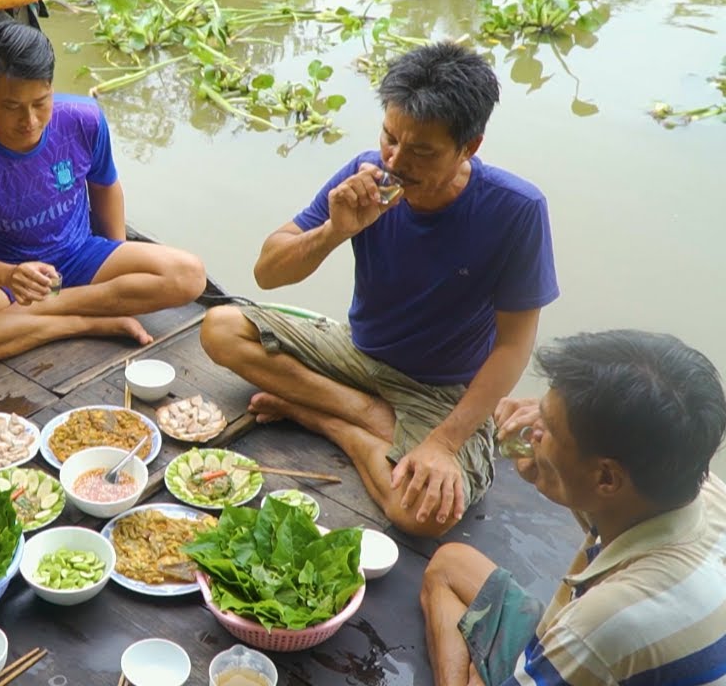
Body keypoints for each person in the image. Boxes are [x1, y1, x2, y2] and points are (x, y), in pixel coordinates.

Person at [199, 42, 559, 537]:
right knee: (220, 327)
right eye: (390, 137)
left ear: (469, 148)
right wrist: (335, 230)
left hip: (441, 389)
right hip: (357, 352)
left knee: (424, 515)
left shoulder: (515, 210)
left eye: (422, 151)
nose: (396, 159)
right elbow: (268, 272)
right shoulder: (367, 176)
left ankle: (322, 416)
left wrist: (444, 442)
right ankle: (365, 415)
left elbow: (515, 346)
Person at [420, 330, 726, 686]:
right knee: (449, 564)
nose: (533, 432)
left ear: (606, 477)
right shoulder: (688, 486)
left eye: (547, 428)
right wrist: (551, 459)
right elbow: (608, 500)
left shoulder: (603, 626)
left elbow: (601, 632)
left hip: (605, 643)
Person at [0, 22, 206, 368]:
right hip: (0, 275)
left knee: (190, 275)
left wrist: (117, 251)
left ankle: (45, 310)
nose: (30, 120)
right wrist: (8, 275)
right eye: (11, 106)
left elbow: (105, 186)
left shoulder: (84, 120)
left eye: (40, 102)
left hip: (78, 253)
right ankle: (82, 323)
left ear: (52, 88)